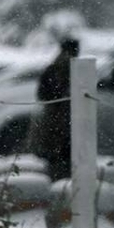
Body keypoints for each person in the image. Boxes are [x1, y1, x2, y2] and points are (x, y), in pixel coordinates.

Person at [36, 37, 80, 181]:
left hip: (55, 121)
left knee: (56, 160)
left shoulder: (54, 67)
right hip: (65, 121)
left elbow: (42, 94)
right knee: (65, 158)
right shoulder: (74, 67)